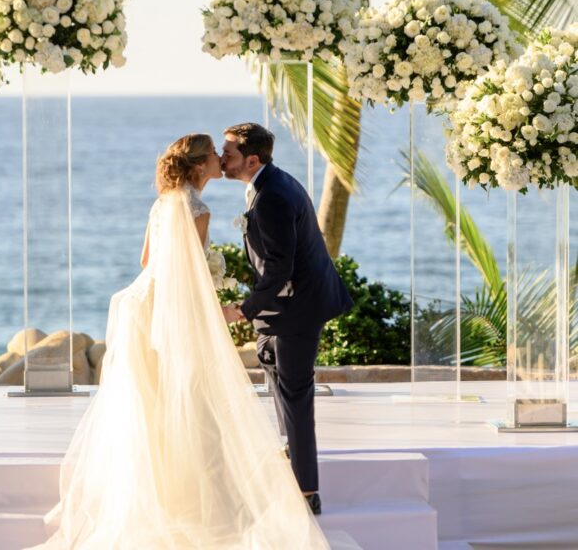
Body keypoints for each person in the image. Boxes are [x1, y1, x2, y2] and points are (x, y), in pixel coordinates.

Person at [25, 133, 331, 549]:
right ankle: (197, 496)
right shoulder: (198, 207)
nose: (221, 161)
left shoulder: (163, 202)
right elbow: (182, 271)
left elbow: (147, 262)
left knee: (152, 402)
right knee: (192, 398)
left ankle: (157, 492)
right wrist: (213, 293)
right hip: (171, 306)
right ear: (199, 165)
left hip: (139, 304)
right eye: (214, 156)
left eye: (227, 154)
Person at [221, 123, 353, 516]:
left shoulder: (272, 197)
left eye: (227, 153)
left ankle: (307, 492)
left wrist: (241, 311)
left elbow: (280, 269)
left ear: (252, 159)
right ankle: (293, 460)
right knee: (276, 377)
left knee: (295, 392)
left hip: (298, 308)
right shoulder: (268, 184)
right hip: (285, 306)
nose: (221, 158)